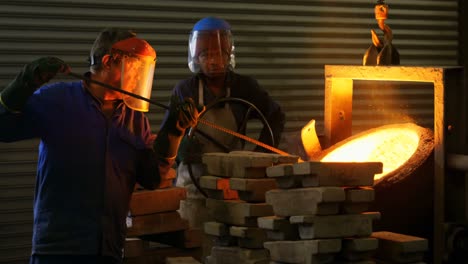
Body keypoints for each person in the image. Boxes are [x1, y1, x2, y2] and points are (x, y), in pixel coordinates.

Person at [0, 28, 199, 264]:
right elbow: (4, 127)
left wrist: (174, 132)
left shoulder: (134, 118)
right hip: (58, 251)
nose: (139, 77)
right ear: (108, 62)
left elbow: (153, 178)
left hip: (108, 250)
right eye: (135, 67)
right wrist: (25, 83)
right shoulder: (57, 100)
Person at [160, 17, 285, 195]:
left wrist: (261, 155)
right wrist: (180, 149)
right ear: (196, 58)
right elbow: (167, 133)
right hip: (192, 182)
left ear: (228, 56)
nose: (212, 61)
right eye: (205, 55)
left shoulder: (244, 87)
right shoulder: (185, 90)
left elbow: (276, 116)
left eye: (218, 54)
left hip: (233, 180)